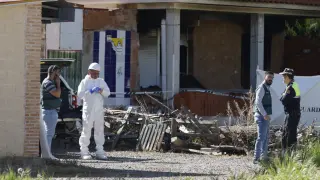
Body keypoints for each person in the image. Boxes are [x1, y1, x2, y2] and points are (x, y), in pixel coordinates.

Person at [77, 62, 110, 160]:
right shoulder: (84, 82)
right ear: (89, 72)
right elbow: (80, 94)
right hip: (88, 110)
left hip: (98, 110)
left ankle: (100, 151)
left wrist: (101, 91)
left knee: (99, 130)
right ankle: (84, 151)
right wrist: (90, 91)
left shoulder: (101, 81)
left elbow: (107, 93)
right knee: (86, 130)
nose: (95, 75)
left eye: (97, 73)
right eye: (94, 73)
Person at [40, 65, 62, 158]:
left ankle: (47, 155)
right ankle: (47, 156)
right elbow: (57, 94)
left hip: (50, 111)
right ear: (53, 72)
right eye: (58, 72)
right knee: (48, 135)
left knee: (48, 134)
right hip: (49, 112)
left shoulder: (49, 82)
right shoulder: (48, 82)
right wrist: (58, 84)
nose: (59, 75)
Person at [253, 71, 274, 164]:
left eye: (272, 78)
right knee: (261, 137)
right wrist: (264, 114)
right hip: (261, 116)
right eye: (269, 77)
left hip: (265, 116)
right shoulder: (262, 87)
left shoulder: (267, 87)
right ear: (265, 77)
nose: (270, 79)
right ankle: (256, 158)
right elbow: (258, 102)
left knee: (265, 137)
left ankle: (263, 157)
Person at [279, 68, 301, 155]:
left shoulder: (291, 87)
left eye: (284, 76)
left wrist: (283, 96)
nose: (283, 78)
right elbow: (282, 98)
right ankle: (286, 155)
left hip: (292, 114)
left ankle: (290, 156)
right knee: (285, 134)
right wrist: (283, 96)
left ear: (288, 77)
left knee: (289, 136)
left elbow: (283, 100)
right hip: (290, 114)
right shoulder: (290, 85)